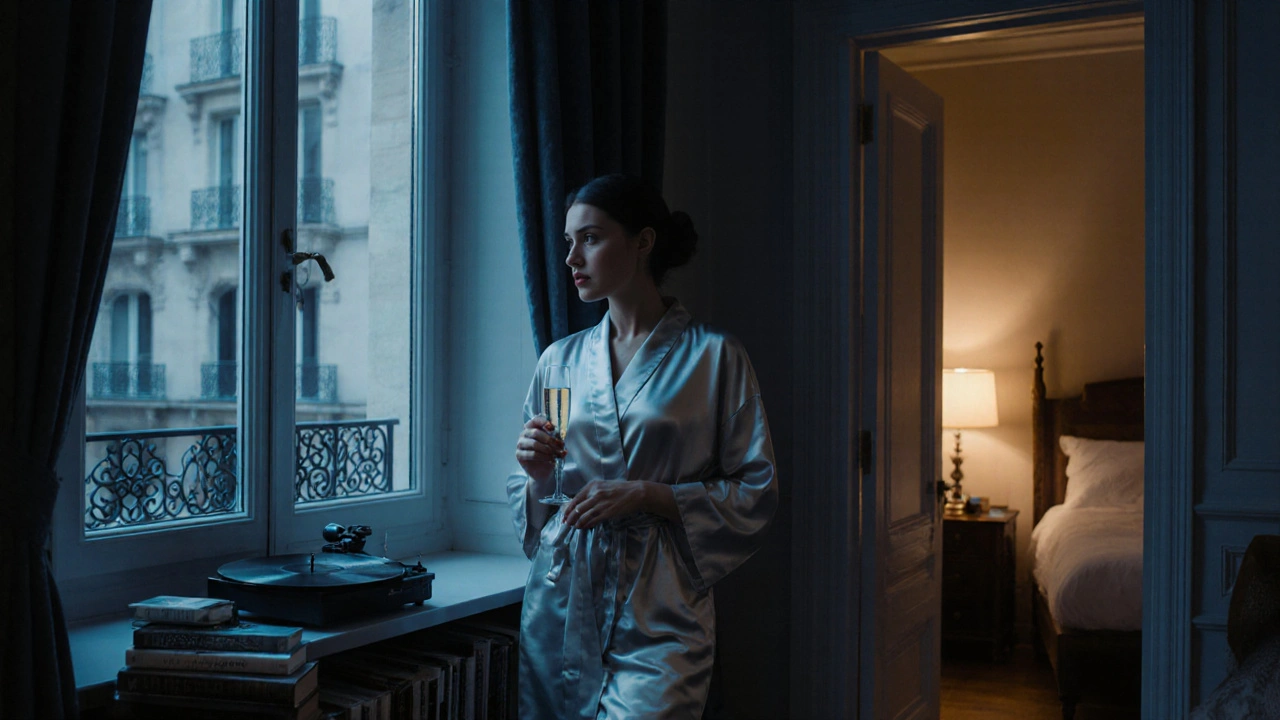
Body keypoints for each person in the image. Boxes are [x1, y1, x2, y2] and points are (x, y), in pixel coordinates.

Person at [507, 174, 779, 719]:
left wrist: (648, 495)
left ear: (643, 241)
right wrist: (536, 473)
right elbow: (537, 501)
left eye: (590, 238)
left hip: (661, 605)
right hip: (563, 600)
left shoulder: (714, 357)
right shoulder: (558, 361)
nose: (571, 258)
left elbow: (756, 488)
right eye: (567, 242)